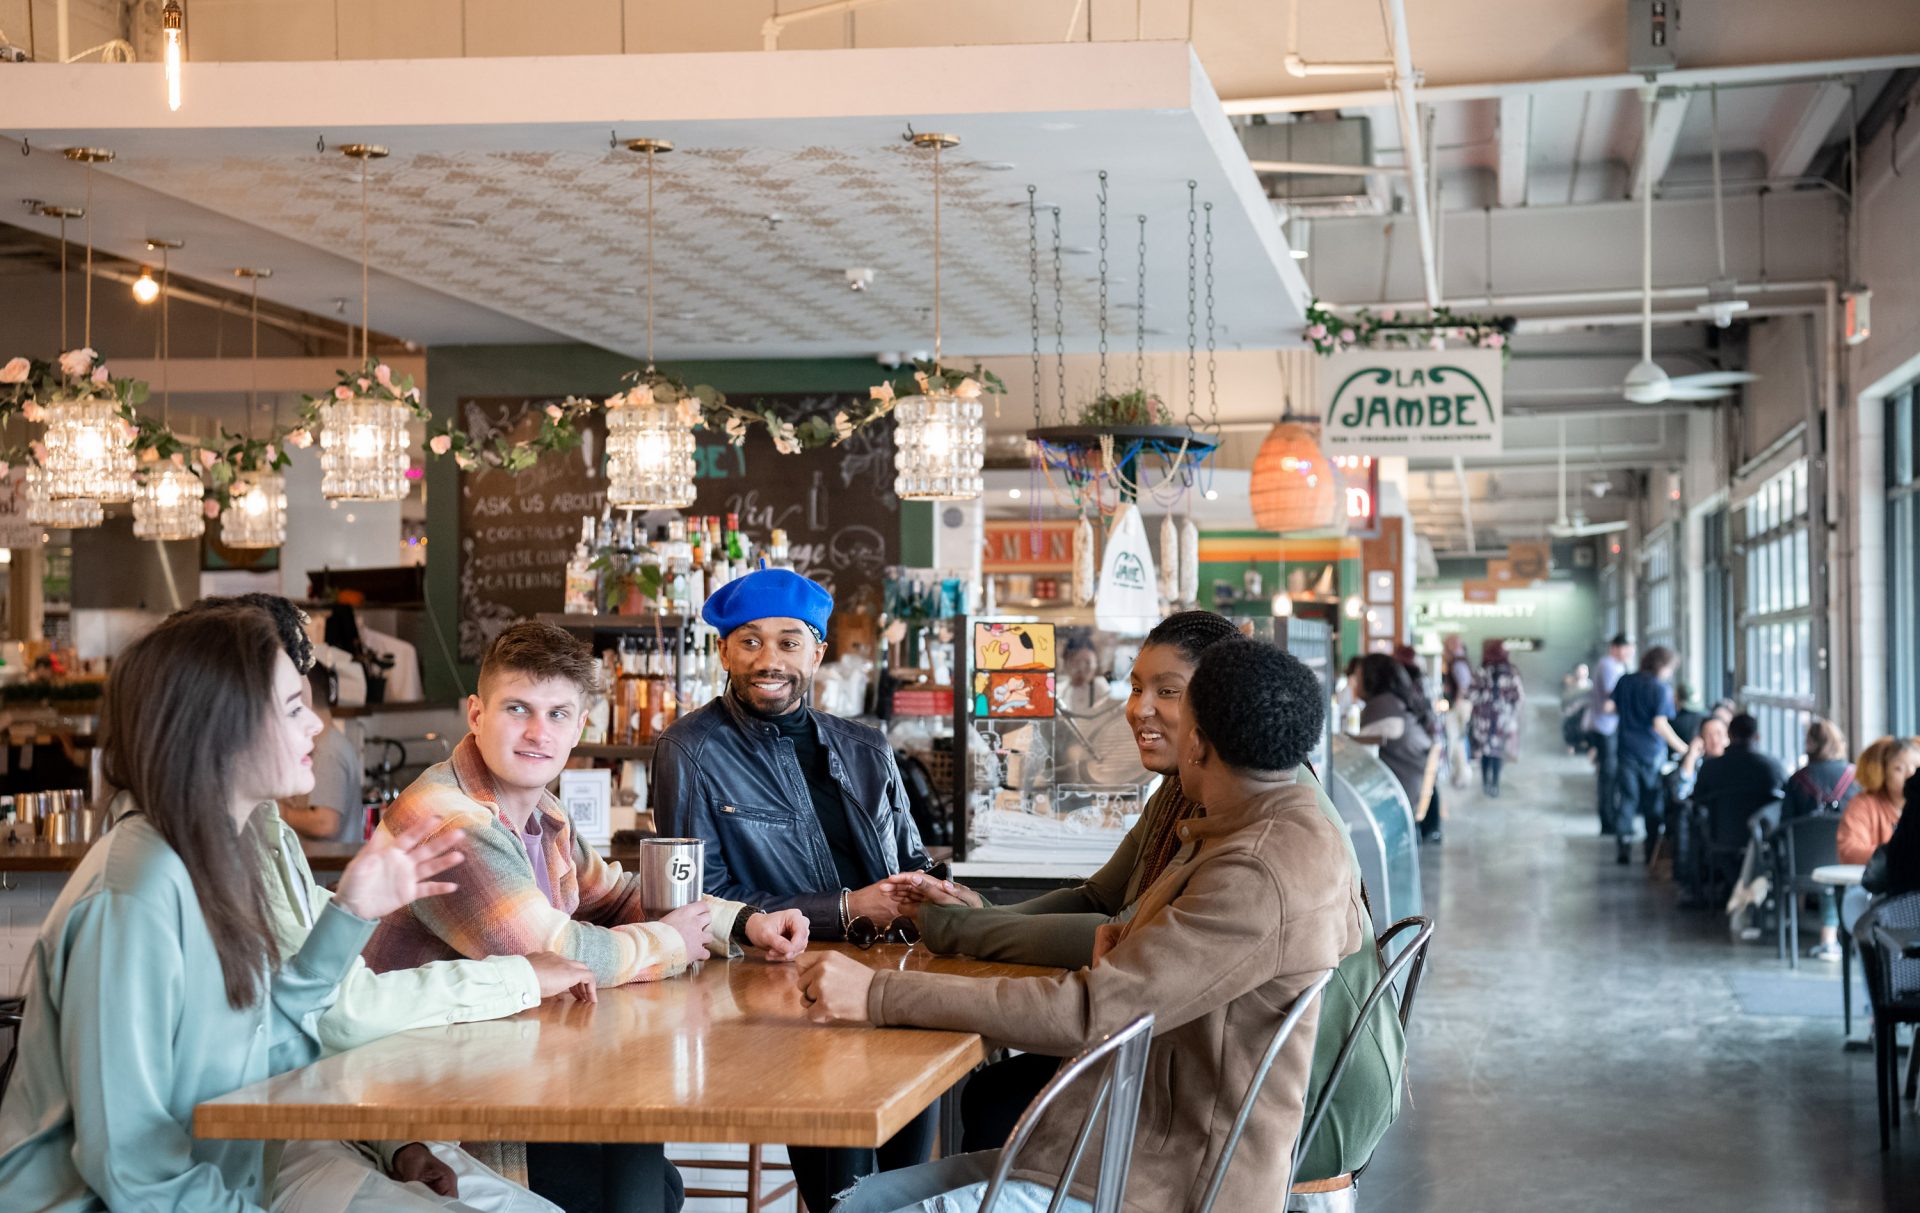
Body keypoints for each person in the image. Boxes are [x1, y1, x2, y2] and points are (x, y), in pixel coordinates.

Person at [797, 638, 1364, 1213]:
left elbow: (1091, 1012)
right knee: (855, 1203)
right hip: (1109, 1143)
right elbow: (1120, 936)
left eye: (1169, 696)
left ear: (1196, 741)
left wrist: (878, 992)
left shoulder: (1256, 868)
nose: (1141, 709)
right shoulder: (1275, 824)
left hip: (1153, 1180)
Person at [0, 606, 466, 1211]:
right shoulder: (134, 893)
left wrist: (351, 913)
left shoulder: (214, 855)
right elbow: (133, 1171)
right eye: (294, 708)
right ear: (219, 726)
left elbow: (257, 1059)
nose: (316, 729)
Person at [364, 620, 809, 1213]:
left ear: (580, 727)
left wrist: (742, 921)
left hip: (509, 1071)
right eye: (517, 708)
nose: (535, 732)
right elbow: (552, 953)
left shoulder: (539, 809)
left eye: (556, 714)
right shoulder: (452, 819)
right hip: (431, 1105)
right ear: (476, 714)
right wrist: (670, 943)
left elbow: (617, 894)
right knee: (635, 1192)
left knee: (655, 1185)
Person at [650, 568, 946, 1213]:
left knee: (906, 1178)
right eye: (750, 642)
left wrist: (933, 889)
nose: (769, 660)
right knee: (842, 1193)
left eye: (789, 642)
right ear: (724, 652)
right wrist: (844, 907)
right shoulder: (690, 749)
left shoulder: (866, 746)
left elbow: (914, 855)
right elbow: (697, 896)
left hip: (899, 981)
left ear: (817, 651)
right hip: (793, 990)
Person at [1349, 653, 1442, 842]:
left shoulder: (1380, 706)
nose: (1353, 682)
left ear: (1371, 679)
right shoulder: (1394, 702)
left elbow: (1355, 753)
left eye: (1357, 677)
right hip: (1414, 785)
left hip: (1402, 793)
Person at [1609, 645, 1688, 865]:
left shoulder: (1625, 681)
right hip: (1651, 753)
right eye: (1670, 668)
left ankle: (1623, 844)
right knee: (1652, 802)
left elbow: (1613, 708)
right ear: (1662, 665)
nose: (1670, 673)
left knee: (1627, 798)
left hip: (1625, 748)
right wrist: (1684, 749)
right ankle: (1650, 851)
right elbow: (1660, 723)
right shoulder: (1660, 689)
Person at [280, 663, 367, 843]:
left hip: (327, 869)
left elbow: (324, 824)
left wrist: (280, 812)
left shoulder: (328, 750)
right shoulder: (331, 743)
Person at [1589, 634, 1633, 835]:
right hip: (1606, 728)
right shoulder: (1608, 666)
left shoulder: (1617, 666)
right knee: (1608, 776)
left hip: (1609, 727)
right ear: (1614, 648)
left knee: (1611, 776)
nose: (1629, 653)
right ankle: (1608, 822)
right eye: (1625, 648)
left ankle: (1611, 818)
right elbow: (1609, 702)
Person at [1469, 640, 1525, 798]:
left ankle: (1486, 782)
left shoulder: (1481, 671)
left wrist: (1485, 699)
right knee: (1497, 753)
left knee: (1486, 752)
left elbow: (1471, 694)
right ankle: (1494, 783)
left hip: (1484, 722)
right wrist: (1510, 712)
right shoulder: (1512, 672)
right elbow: (1519, 698)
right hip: (1502, 721)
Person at [1442, 636, 1476, 788]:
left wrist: (1456, 701)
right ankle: (1461, 773)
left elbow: (1464, 685)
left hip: (1460, 706)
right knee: (1460, 740)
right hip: (1462, 705)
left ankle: (1462, 774)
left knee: (1458, 740)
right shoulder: (1459, 661)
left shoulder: (1458, 662)